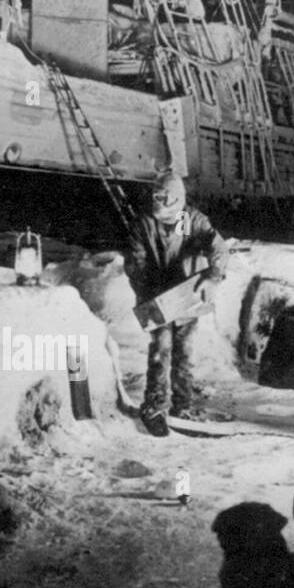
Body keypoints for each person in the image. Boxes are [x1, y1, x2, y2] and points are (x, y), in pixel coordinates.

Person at [125, 170, 230, 437]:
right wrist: (152, 295)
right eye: (156, 195)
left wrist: (213, 277)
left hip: (187, 296)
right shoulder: (144, 224)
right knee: (161, 350)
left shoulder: (189, 220)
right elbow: (136, 264)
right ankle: (156, 406)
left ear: (178, 198)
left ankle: (183, 406)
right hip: (156, 298)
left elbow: (217, 247)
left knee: (184, 352)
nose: (159, 200)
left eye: (166, 196)